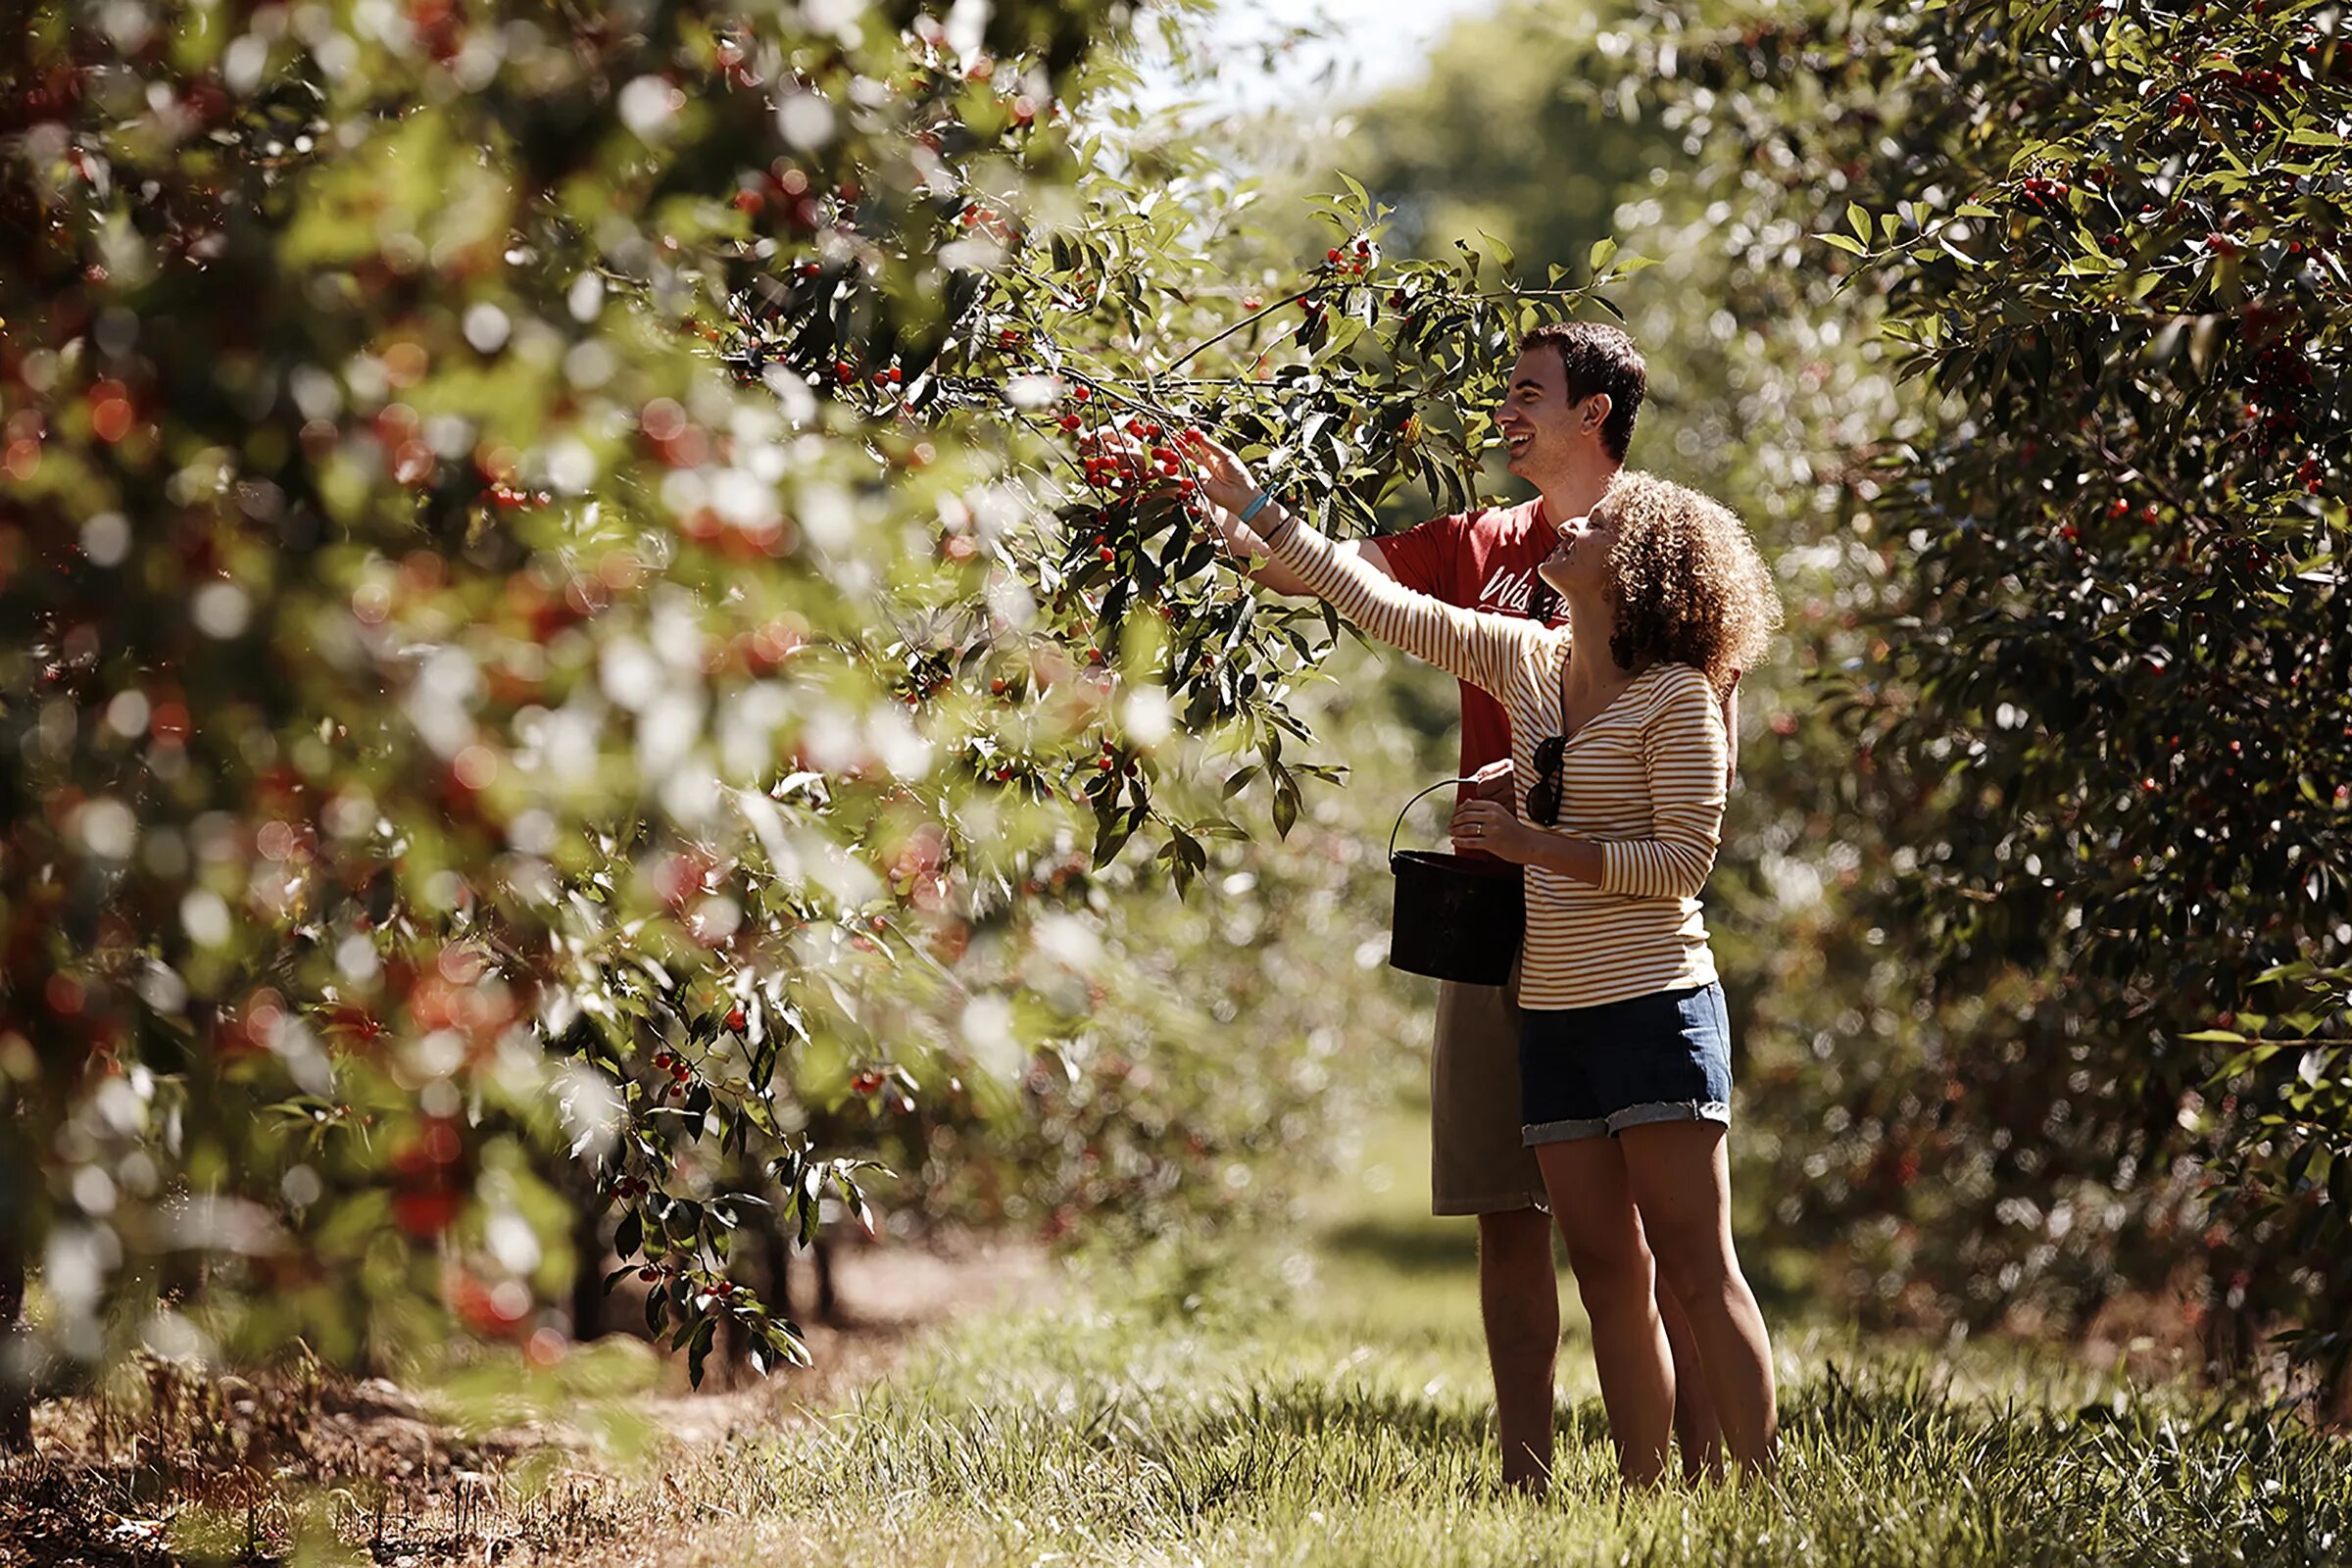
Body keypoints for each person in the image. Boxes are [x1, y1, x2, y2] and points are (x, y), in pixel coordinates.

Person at [1184, 427, 1783, 1486]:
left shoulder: (1679, 696)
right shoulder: (1530, 661)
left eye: (1599, 526)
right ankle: (1646, 1500)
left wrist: (1534, 844)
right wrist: (1267, 511)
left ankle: (1766, 1493)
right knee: (1604, 1267)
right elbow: (1389, 608)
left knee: (1694, 1266)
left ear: (1639, 567)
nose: (1573, 525)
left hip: (1653, 1005)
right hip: (1555, 1014)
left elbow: (1685, 862)